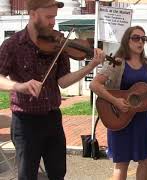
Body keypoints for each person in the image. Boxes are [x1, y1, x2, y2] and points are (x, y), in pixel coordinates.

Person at [0, 0, 105, 179]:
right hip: (25, 122)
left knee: (58, 173)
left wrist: (91, 66)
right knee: (27, 175)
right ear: (33, 14)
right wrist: (19, 86)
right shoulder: (12, 45)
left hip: (52, 119)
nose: (53, 22)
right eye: (49, 17)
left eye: (54, 17)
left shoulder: (59, 45)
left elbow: (63, 81)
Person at [90, 26, 147, 180]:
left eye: (143, 38)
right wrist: (116, 101)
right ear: (127, 40)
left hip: (143, 119)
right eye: (136, 38)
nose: (140, 42)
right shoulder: (117, 62)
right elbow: (95, 84)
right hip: (120, 116)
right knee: (122, 164)